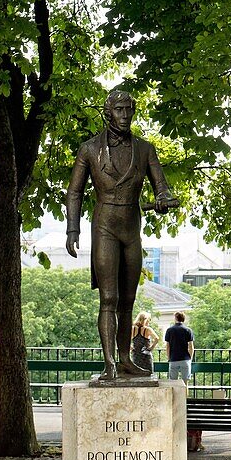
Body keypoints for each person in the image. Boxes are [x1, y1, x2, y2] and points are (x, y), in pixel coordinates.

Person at [65, 89, 179, 380]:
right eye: (119, 110)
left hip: (131, 229)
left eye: (129, 110)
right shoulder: (89, 149)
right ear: (108, 113)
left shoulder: (145, 149)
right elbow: (75, 191)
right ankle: (109, 363)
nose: (125, 116)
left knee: (128, 300)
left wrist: (164, 198)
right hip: (104, 227)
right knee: (109, 298)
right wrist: (72, 228)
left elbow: (161, 186)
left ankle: (125, 358)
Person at [165, 312, 200, 451]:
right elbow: (191, 346)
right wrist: (190, 357)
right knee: (185, 383)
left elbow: (167, 346)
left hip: (173, 359)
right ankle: (184, 402)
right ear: (184, 319)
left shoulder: (169, 330)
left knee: (172, 383)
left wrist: (169, 357)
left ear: (175, 319)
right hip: (185, 359)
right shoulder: (188, 330)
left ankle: (173, 402)